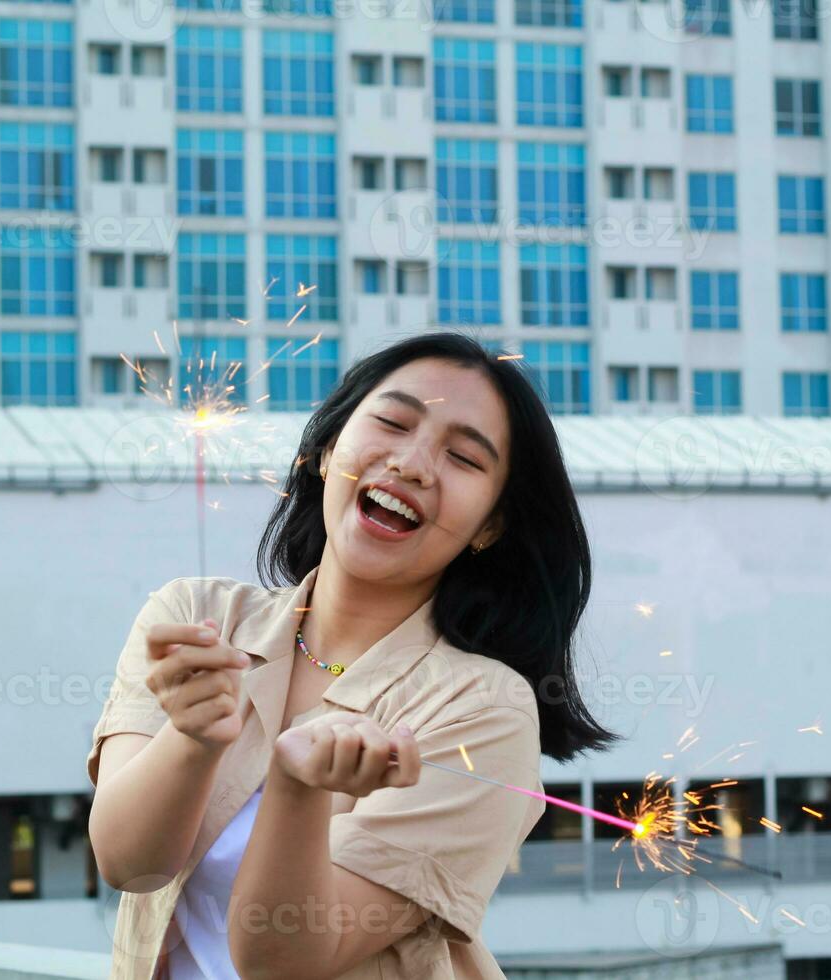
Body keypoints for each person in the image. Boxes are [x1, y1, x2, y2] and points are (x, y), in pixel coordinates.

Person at [86, 332, 618, 979]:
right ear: (326, 449)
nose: (413, 464)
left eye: (464, 459)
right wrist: (193, 739)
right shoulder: (195, 617)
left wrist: (298, 789)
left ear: (490, 526)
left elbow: (285, 959)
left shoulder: (484, 707)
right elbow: (127, 863)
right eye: (392, 422)